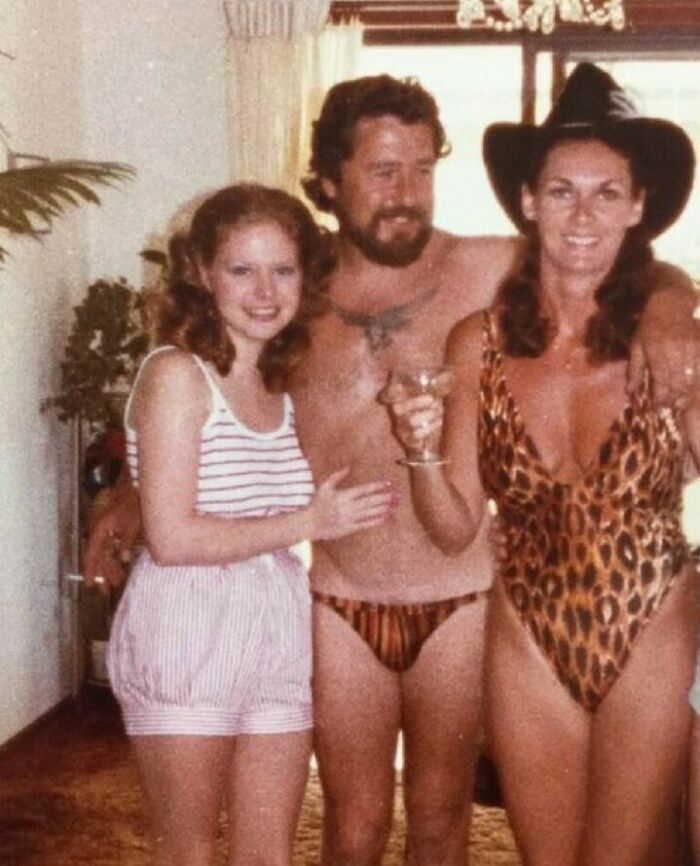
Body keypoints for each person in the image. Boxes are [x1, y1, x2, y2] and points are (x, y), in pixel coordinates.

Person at [86, 75, 699, 866]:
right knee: (353, 826)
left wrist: (672, 310)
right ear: (330, 184)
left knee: (443, 822)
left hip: (462, 597)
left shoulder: (490, 268)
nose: (407, 193)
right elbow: (220, 392)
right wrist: (140, 486)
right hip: (340, 597)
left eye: (422, 168)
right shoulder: (293, 294)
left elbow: (619, 258)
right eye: (382, 171)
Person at [389, 63, 700, 866]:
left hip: (653, 625)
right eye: (562, 191)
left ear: (639, 207)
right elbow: (456, 524)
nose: (583, 214)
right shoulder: (476, 343)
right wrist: (420, 450)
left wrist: (683, 318)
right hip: (526, 632)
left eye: (607, 191)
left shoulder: (675, 343)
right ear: (529, 202)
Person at [106, 183, 395, 866]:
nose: (265, 291)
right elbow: (173, 539)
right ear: (203, 274)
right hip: (186, 624)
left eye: (283, 270)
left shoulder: (283, 379)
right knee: (190, 853)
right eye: (242, 270)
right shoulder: (177, 374)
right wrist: (310, 520)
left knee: (269, 855)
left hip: (276, 620)